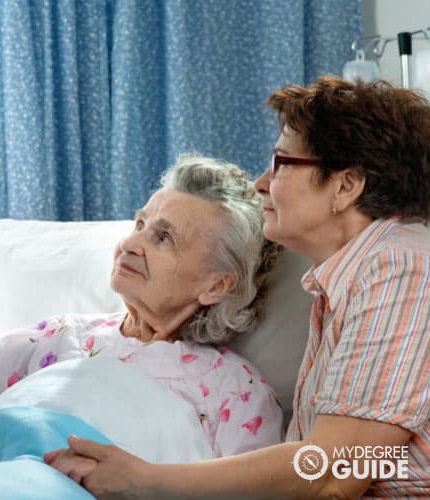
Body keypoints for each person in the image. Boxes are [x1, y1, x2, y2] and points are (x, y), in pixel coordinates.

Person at [47, 76, 430, 498]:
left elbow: (332, 473)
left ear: (345, 186)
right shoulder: (341, 282)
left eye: (282, 163)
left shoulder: (400, 267)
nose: (261, 183)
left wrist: (145, 479)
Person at [0, 154, 285, 459]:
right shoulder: (61, 338)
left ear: (216, 284)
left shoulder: (235, 391)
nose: (132, 244)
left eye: (163, 238)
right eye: (140, 224)